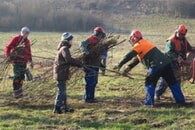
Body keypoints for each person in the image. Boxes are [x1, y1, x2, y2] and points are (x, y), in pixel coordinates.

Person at [114, 30, 185, 107]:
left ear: (134, 38)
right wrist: (128, 67)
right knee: (173, 82)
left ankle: (149, 103)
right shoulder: (145, 43)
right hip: (167, 64)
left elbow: (128, 56)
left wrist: (119, 65)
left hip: (156, 66)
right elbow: (137, 59)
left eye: (131, 38)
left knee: (149, 83)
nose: (131, 40)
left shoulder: (138, 45)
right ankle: (181, 101)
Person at [155, 24, 192, 100]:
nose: (181, 36)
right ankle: (157, 94)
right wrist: (178, 58)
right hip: (169, 63)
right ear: (176, 32)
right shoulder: (171, 40)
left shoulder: (184, 40)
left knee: (177, 79)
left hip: (178, 64)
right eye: (180, 34)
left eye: (183, 34)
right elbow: (169, 52)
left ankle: (175, 95)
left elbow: (190, 48)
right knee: (166, 80)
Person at [53, 32, 83, 114]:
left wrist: (77, 62)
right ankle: (57, 108)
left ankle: (64, 107)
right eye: (71, 40)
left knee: (63, 90)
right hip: (61, 73)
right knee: (61, 91)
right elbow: (68, 59)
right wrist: (78, 64)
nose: (72, 42)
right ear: (68, 40)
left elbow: (68, 58)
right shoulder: (64, 48)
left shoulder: (63, 48)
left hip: (61, 72)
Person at [4, 27, 33, 98]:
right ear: (22, 32)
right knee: (17, 76)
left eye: (28, 33)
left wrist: (30, 61)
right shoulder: (16, 39)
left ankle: (20, 91)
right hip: (16, 61)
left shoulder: (27, 41)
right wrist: (8, 56)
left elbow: (29, 51)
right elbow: (8, 47)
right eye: (26, 33)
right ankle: (16, 91)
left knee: (22, 77)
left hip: (24, 61)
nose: (27, 34)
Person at [80, 26, 106, 103]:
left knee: (94, 82)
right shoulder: (92, 39)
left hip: (95, 65)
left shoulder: (99, 42)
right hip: (89, 65)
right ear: (99, 34)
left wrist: (101, 66)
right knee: (90, 82)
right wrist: (86, 52)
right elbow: (82, 44)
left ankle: (91, 97)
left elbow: (97, 57)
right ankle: (87, 98)